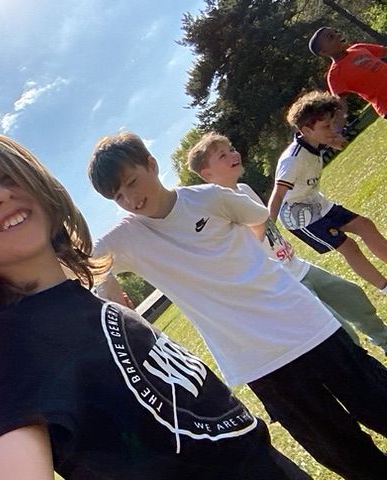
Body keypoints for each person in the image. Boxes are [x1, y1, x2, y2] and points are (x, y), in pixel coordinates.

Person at [0, 129, 308, 480]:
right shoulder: (5, 339)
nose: (1, 194)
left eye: (8, 176)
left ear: (40, 185)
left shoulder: (90, 303)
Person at [88, 130, 387, 479]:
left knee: (378, 402)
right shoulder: (124, 239)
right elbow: (81, 266)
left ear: (151, 165)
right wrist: (108, 290)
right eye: (118, 195)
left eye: (132, 182)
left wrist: (246, 264)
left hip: (307, 327)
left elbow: (258, 219)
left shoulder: (210, 198)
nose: (130, 198)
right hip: (258, 363)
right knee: (343, 453)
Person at [189, 131, 387, 354]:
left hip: (297, 265)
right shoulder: (219, 208)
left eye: (231, 149)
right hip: (283, 280)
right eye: (222, 155)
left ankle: (384, 340)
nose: (233, 155)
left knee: (352, 297)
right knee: (339, 329)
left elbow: (269, 226)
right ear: (207, 174)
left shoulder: (244, 190)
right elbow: (245, 246)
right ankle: (363, 365)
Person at [268, 90, 387, 294]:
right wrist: (268, 230)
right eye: (326, 126)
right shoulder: (292, 160)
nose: (331, 129)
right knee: (349, 247)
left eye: (331, 123)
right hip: (300, 217)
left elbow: (330, 144)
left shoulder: (314, 142)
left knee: (365, 225)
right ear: (307, 130)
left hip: (318, 204)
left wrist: (332, 141)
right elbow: (278, 195)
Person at [309, 27, 387, 117]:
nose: (338, 35)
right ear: (323, 52)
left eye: (336, 31)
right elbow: (340, 101)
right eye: (331, 37)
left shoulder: (359, 47)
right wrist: (338, 117)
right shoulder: (335, 75)